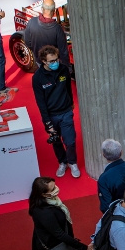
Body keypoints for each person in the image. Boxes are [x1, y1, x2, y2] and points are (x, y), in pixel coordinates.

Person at [32, 46, 80, 178]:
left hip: (66, 112)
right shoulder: (38, 78)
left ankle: (72, 162)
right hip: (51, 115)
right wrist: (47, 122)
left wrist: (70, 103)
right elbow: (40, 102)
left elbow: (68, 88)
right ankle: (62, 162)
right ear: (44, 61)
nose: (55, 63)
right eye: (52, 61)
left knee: (70, 141)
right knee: (56, 141)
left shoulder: (64, 70)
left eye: (56, 59)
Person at [22, 0, 69, 65]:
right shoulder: (57, 29)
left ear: (42, 9)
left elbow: (27, 42)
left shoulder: (31, 22)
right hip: (53, 63)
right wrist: (67, 68)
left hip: (39, 61)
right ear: (54, 11)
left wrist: (37, 52)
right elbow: (63, 51)